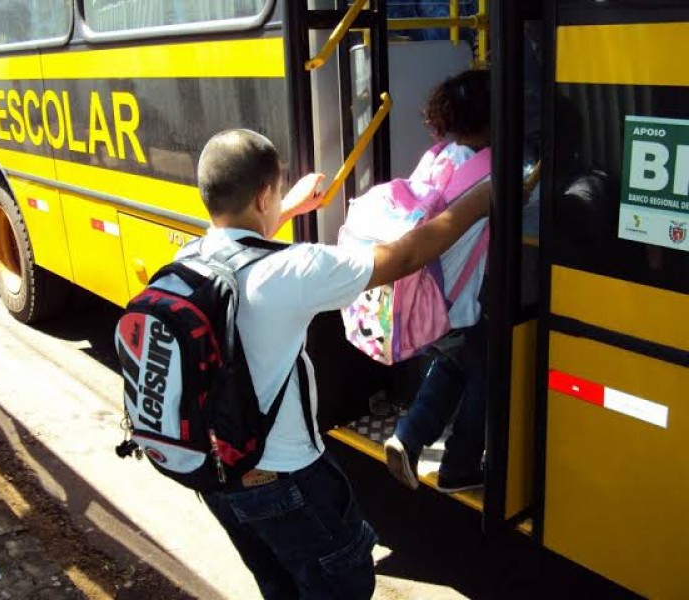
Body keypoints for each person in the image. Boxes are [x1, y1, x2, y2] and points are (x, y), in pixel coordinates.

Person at [191, 128, 490, 598]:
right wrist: (483, 196)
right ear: (263, 193)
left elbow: (241, 237)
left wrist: (287, 207)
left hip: (213, 475)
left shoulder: (190, 257)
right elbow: (408, 254)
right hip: (283, 478)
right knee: (345, 583)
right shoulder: (293, 269)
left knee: (280, 584)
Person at [384, 69, 492, 494]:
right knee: (487, 377)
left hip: (430, 303)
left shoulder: (438, 158)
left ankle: (408, 438)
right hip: (461, 305)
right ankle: (460, 465)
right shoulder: (489, 175)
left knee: (451, 367)